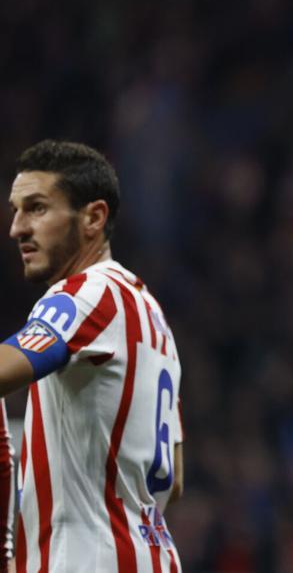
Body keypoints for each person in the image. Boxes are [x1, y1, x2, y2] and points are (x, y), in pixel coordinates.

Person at [1, 140, 184, 572]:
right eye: (15, 210)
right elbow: (173, 479)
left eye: (37, 208)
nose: (17, 228)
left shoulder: (87, 293)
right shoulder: (155, 321)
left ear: (94, 217)